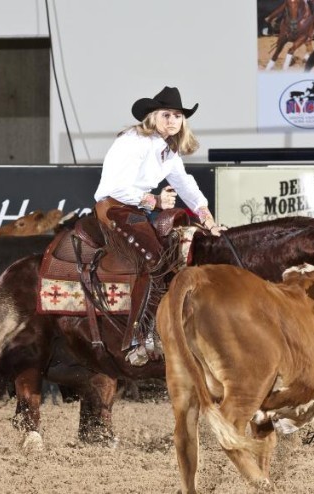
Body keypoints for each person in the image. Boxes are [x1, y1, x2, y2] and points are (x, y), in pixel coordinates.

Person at [93, 86, 225, 366]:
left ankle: (162, 329)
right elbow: (116, 186)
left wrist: (207, 218)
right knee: (155, 258)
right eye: (166, 114)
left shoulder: (168, 150)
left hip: (136, 208)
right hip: (115, 207)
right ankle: (136, 339)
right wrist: (153, 200)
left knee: (174, 252)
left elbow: (185, 184)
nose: (172, 120)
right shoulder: (134, 141)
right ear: (152, 117)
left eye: (177, 116)